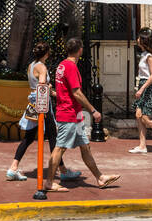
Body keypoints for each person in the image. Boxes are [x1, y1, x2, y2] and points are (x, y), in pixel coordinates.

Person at [47, 38, 119, 191]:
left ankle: (100, 177)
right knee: (59, 148)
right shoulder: (71, 67)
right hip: (69, 115)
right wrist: (93, 110)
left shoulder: (62, 65)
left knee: (85, 147)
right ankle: (49, 182)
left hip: (73, 114)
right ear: (80, 50)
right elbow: (76, 92)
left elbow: (63, 90)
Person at [7, 40, 57, 180]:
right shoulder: (42, 67)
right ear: (47, 53)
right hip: (42, 104)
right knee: (53, 136)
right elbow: (41, 86)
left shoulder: (31, 66)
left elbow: (35, 85)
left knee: (29, 138)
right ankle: (61, 170)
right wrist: (49, 88)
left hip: (34, 102)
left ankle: (13, 168)